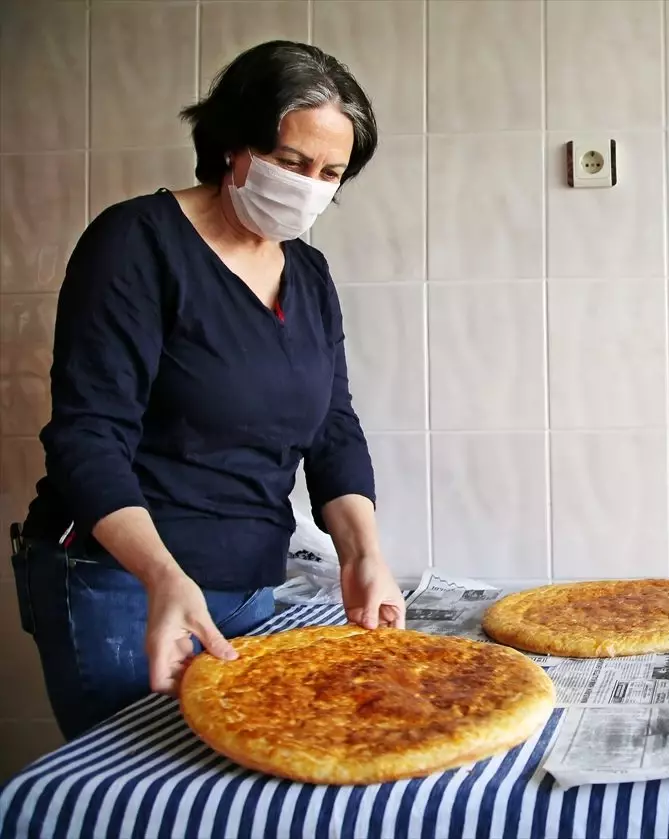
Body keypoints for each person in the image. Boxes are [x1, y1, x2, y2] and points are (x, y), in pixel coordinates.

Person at [9, 41, 405, 741]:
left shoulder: (308, 275)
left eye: (330, 173)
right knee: (136, 795)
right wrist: (161, 574)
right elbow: (87, 434)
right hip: (124, 584)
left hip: (251, 579)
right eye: (292, 162)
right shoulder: (136, 243)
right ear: (233, 145)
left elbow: (333, 427)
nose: (310, 184)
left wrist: (363, 552)